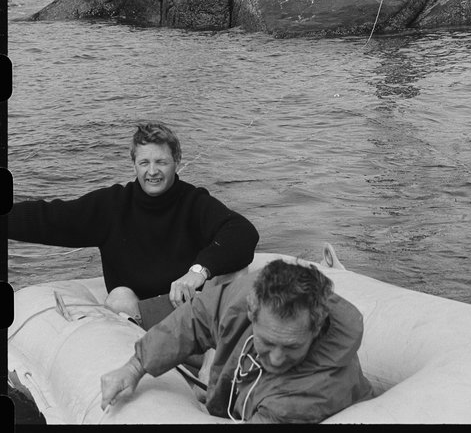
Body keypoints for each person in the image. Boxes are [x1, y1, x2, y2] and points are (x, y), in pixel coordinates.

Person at [8, 121, 260, 328]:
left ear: (177, 162)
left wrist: (197, 272)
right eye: (144, 163)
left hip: (190, 313)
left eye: (161, 162)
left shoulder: (194, 202)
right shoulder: (113, 205)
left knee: (234, 270)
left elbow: (241, 232)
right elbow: (49, 218)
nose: (153, 171)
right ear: (134, 165)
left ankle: (212, 375)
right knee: (119, 296)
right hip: (137, 318)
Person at [100, 258, 374, 424]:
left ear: (317, 328)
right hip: (239, 383)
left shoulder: (314, 393)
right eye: (268, 342)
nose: (277, 358)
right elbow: (195, 318)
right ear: (252, 310)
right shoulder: (243, 295)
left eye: (291, 346)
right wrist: (135, 366)